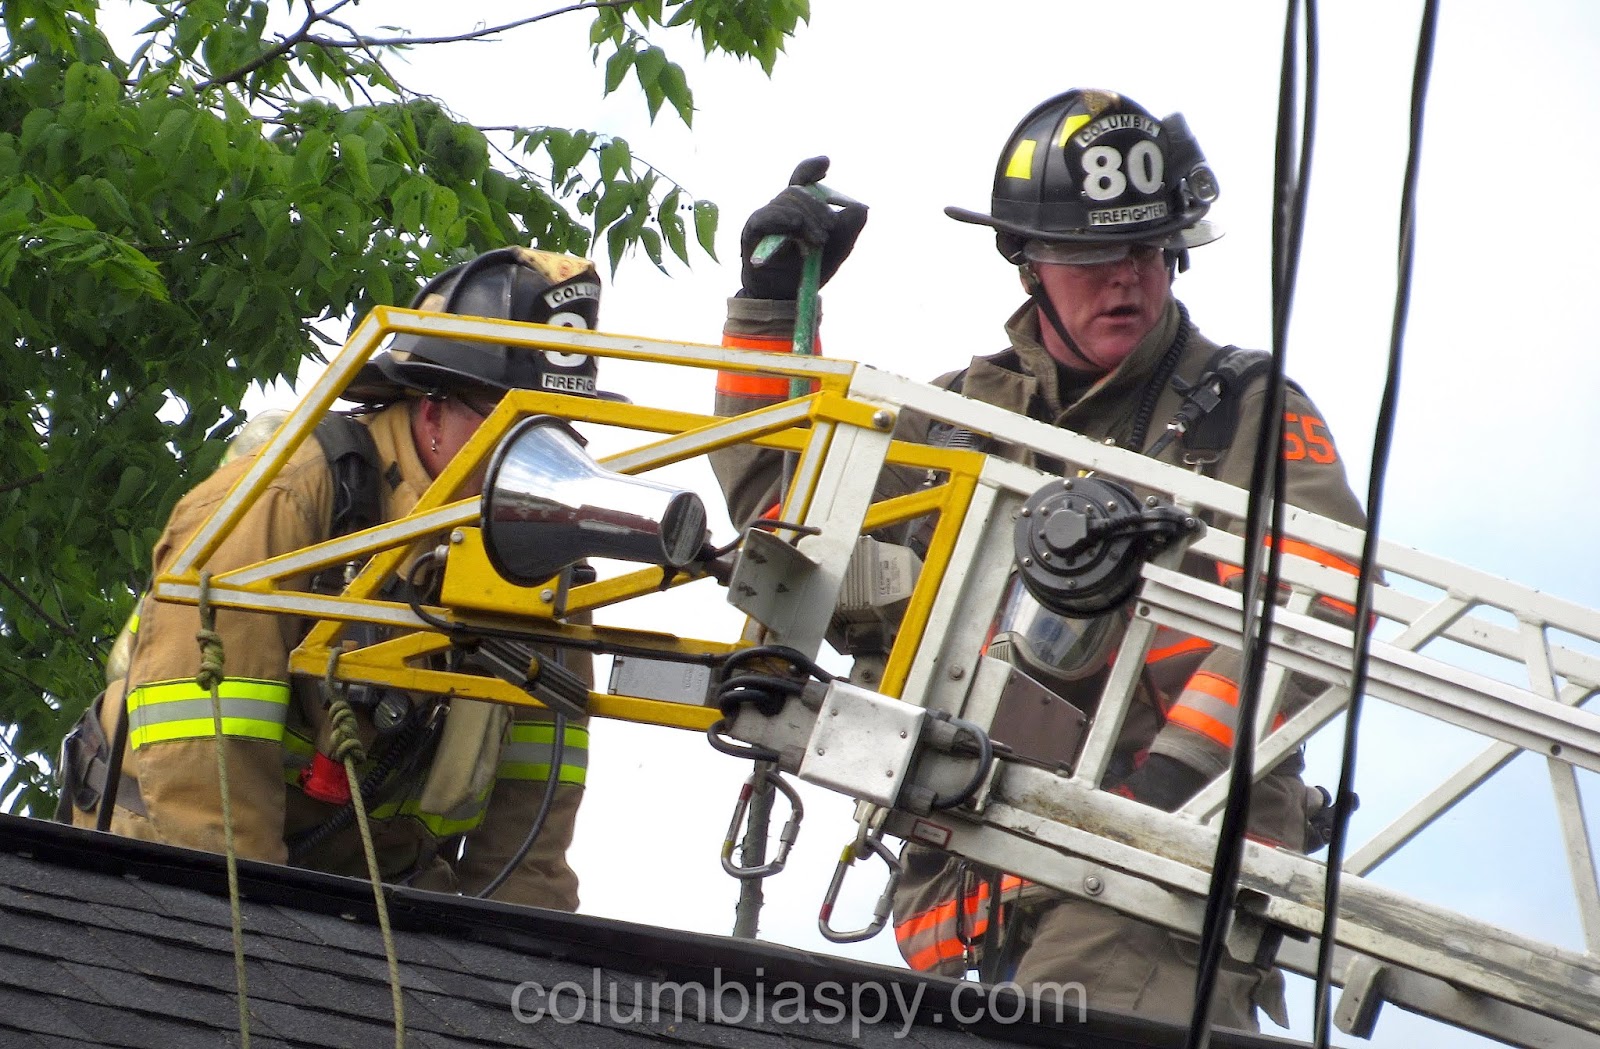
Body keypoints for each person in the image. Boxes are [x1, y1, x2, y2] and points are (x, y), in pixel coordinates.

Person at [710, 91, 1366, 1030]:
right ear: (1026, 260)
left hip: (1163, 880)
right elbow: (786, 520)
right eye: (1093, 258)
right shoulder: (959, 420)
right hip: (974, 886)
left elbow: (1325, 602)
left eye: (1146, 250)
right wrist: (771, 316)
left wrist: (1173, 782)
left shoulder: (1246, 414)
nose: (1126, 279)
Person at [65, 247, 603, 909]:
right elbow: (204, 781)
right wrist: (261, 935)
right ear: (430, 409)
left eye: (556, 431)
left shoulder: (545, 570)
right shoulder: (286, 498)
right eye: (509, 423)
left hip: (376, 900)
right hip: (172, 875)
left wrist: (515, 955)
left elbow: (532, 837)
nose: (536, 460)